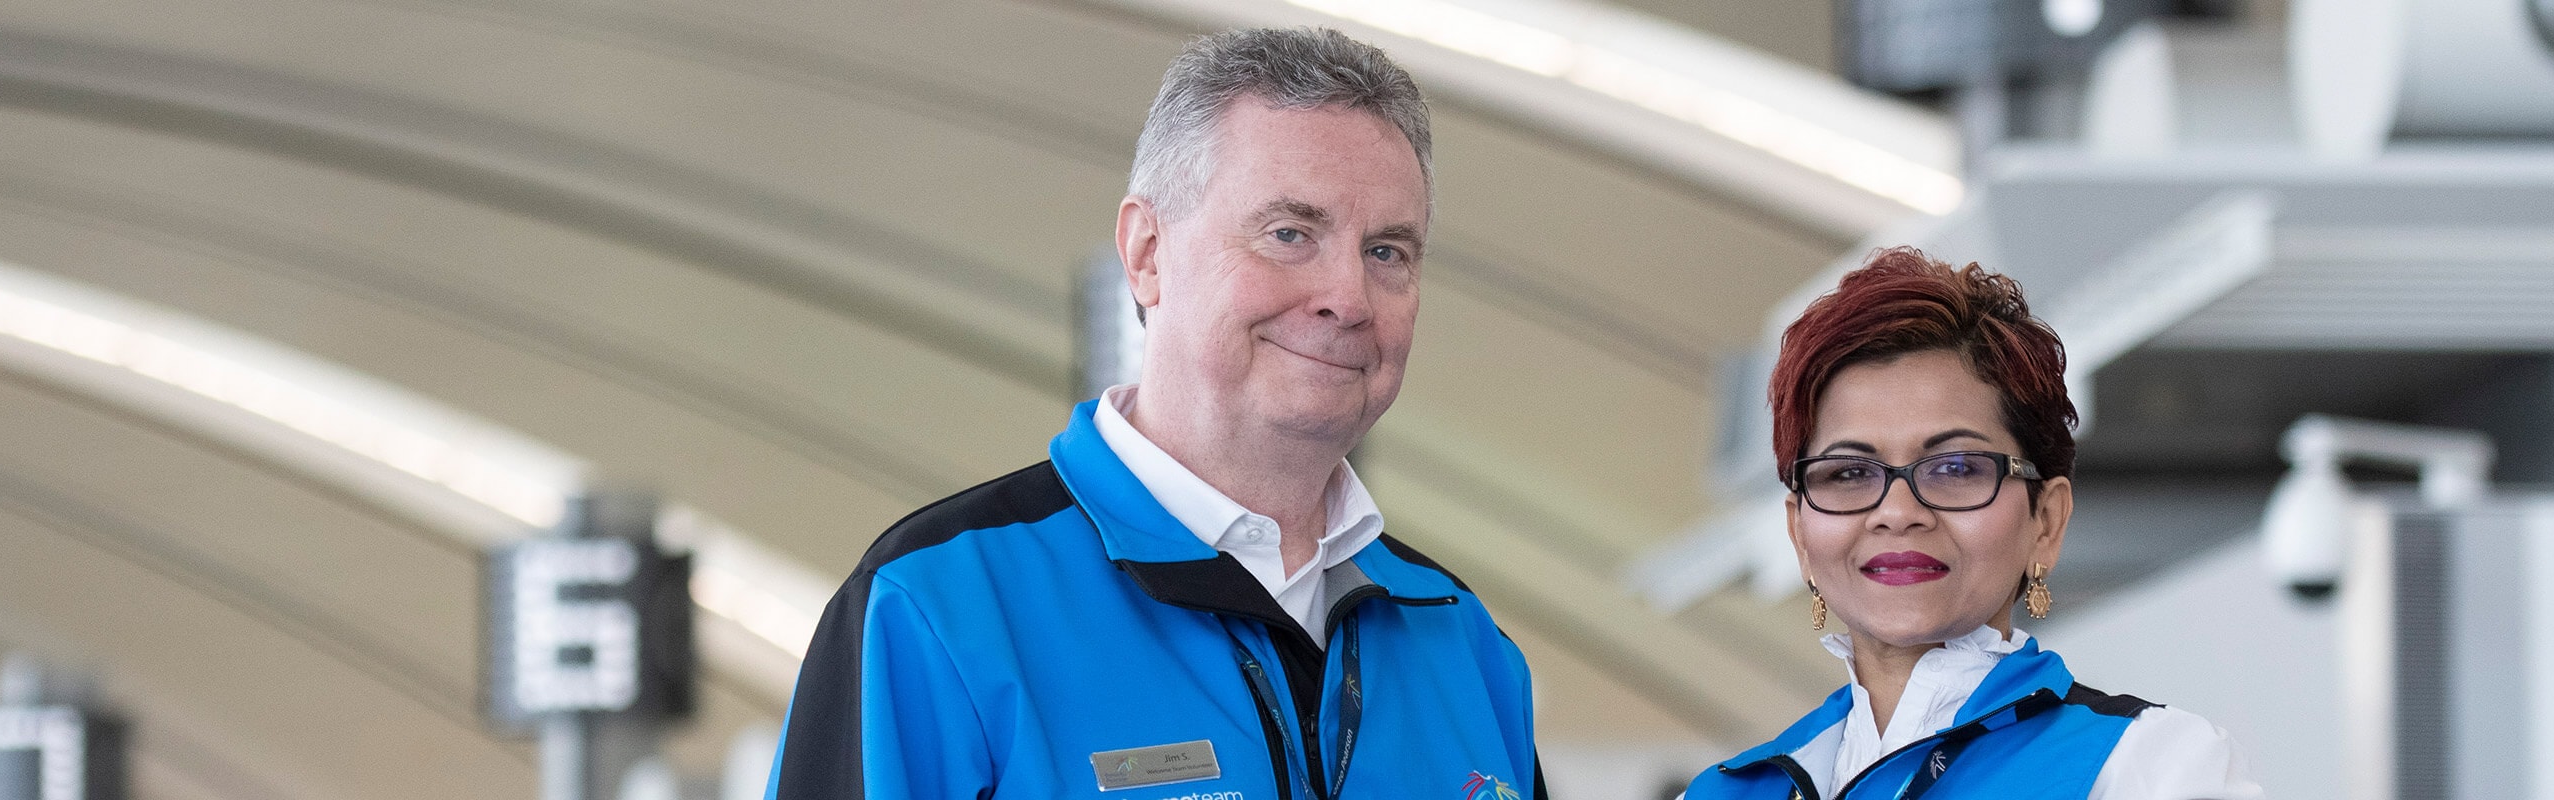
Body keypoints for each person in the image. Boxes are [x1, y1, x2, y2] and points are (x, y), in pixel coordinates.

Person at [765, 27, 1541, 799]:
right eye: (1289, 234)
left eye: (1387, 253)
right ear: (1146, 253)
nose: (1347, 297)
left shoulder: (1458, 635)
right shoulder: (939, 610)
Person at [1683, 248, 2259, 799]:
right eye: (1850, 472)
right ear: (1800, 536)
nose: (1898, 513)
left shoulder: (2150, 769)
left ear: (2046, 521)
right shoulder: (1724, 793)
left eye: (1955, 467)